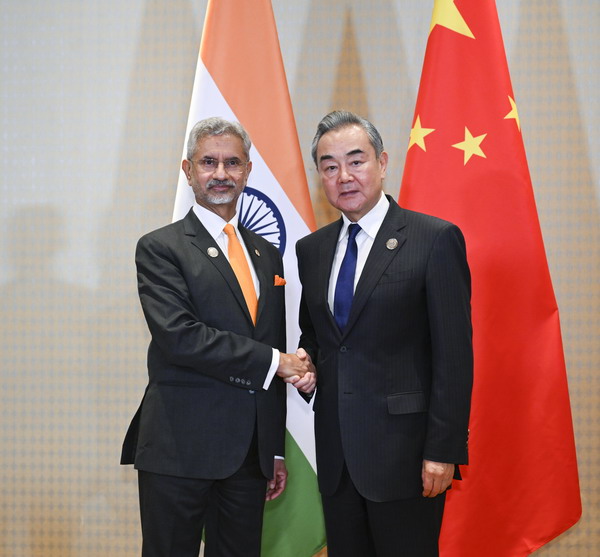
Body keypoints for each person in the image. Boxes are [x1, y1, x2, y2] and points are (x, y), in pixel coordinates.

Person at [121, 117, 315, 557]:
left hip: (247, 458)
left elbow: (271, 335)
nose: (221, 174)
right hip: (179, 449)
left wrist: (274, 451)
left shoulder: (267, 255)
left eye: (232, 163)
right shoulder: (161, 247)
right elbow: (179, 337)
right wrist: (275, 362)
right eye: (209, 163)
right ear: (188, 170)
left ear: (248, 171)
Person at [295, 110, 473, 557]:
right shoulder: (312, 250)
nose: (344, 176)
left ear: (383, 162)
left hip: (407, 458)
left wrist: (443, 450)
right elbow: (317, 335)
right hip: (337, 460)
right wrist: (305, 362)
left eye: (356, 161)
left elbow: (454, 357)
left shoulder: (433, 240)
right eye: (329, 166)